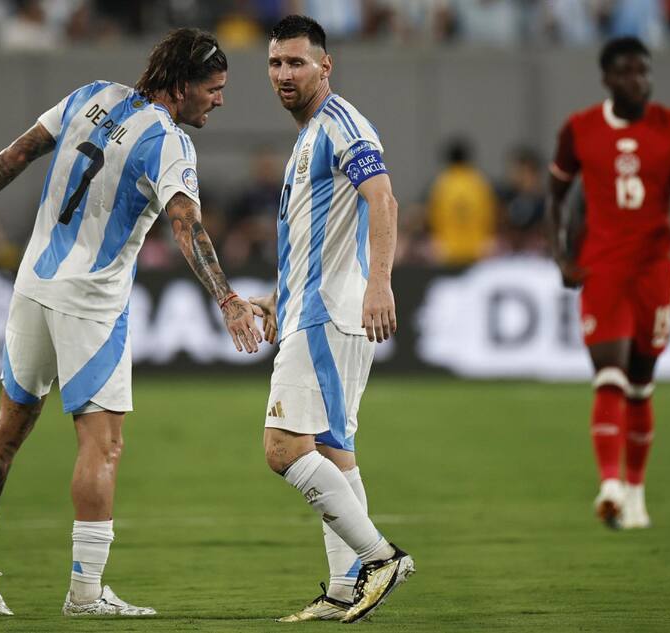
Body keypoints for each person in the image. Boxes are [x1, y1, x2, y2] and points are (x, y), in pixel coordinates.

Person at [0, 28, 262, 617]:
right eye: (213, 90)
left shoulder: (93, 95)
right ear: (183, 86)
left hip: (32, 285)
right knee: (103, 443)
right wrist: (227, 298)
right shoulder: (167, 141)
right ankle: (86, 592)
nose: (219, 100)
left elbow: (15, 153)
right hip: (90, 301)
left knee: (10, 422)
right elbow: (186, 223)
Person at [248, 15, 414, 624]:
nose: (284, 74)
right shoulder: (308, 136)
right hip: (309, 306)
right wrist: (274, 298)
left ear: (325, 66)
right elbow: (322, 238)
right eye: (275, 64)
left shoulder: (342, 125)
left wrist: (380, 284)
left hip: (327, 314)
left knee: (282, 447)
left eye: (296, 63)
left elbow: (384, 198)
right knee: (333, 451)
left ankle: (380, 558)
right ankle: (346, 590)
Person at [546, 36, 670, 530]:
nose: (637, 80)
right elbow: (555, 198)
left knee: (641, 385)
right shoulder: (579, 129)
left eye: (643, 71)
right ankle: (611, 485)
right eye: (626, 72)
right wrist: (562, 256)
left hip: (654, 271)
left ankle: (636, 493)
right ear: (607, 78)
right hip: (603, 270)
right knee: (610, 375)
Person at [427, 137, 498, 266]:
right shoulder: (479, 181)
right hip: (477, 249)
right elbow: (489, 214)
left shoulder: (442, 183)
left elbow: (434, 216)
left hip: (448, 249)